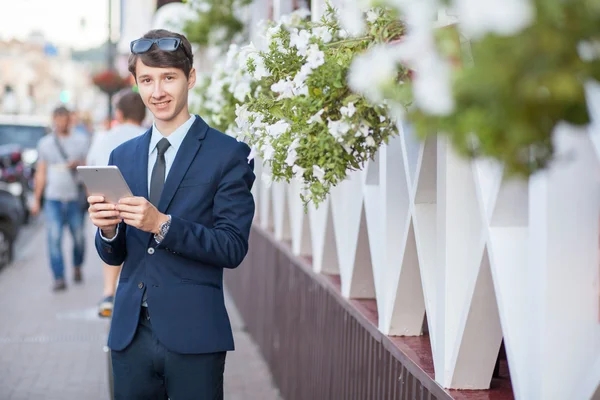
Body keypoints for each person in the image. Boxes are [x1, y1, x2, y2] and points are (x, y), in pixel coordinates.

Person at [87, 29, 255, 399]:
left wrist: (161, 224)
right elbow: (116, 254)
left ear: (190, 77)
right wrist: (109, 231)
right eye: (147, 79)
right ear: (136, 84)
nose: (157, 91)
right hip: (129, 336)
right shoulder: (123, 156)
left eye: (168, 78)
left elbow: (231, 247)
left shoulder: (228, 154)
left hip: (195, 337)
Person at [86, 89, 147, 318]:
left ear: (119, 114)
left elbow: (90, 168)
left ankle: (109, 292)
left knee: (110, 241)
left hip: (108, 203)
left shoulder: (105, 137)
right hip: (143, 206)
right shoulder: (150, 136)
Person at [32, 106, 89, 291]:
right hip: (53, 198)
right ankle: (59, 277)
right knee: (54, 238)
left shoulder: (81, 140)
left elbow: (88, 169)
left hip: (74, 197)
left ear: (69, 120)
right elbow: (41, 173)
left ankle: (77, 266)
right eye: (58, 120)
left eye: (64, 120)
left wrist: (91, 195)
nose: (61, 123)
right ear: (53, 120)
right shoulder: (45, 143)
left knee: (79, 237)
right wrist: (36, 199)